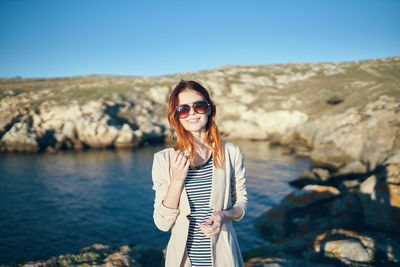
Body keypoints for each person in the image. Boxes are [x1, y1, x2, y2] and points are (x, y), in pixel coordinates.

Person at [152, 80, 248, 267]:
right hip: (183, 261)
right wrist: (177, 180)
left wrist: (223, 215)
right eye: (183, 109)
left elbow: (241, 204)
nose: (192, 113)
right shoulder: (163, 159)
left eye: (199, 106)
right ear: (176, 116)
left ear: (210, 109)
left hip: (224, 256)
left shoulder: (231, 152)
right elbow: (162, 224)